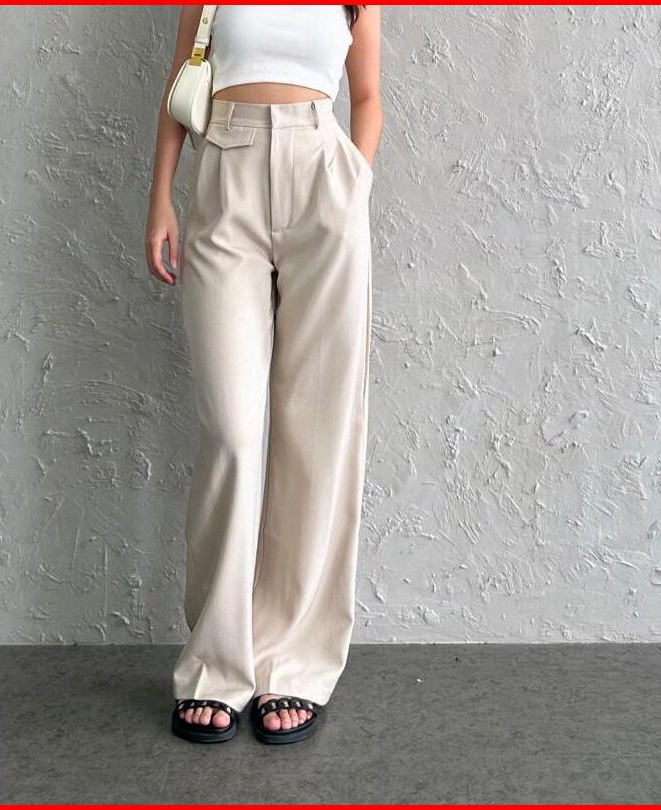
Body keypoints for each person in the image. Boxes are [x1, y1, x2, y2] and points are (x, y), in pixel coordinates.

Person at [144, 4, 382, 745]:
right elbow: (181, 86)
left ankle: (293, 663)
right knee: (234, 431)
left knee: (317, 433)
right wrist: (161, 198)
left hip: (323, 178)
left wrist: (354, 181)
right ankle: (216, 666)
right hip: (227, 174)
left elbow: (367, 95)